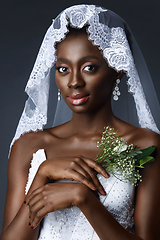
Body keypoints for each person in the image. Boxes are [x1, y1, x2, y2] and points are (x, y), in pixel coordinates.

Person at [1, 4, 160, 240]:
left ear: (117, 69)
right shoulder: (28, 146)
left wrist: (83, 198)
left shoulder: (145, 145)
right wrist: (43, 173)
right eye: (63, 69)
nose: (74, 82)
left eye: (89, 68)